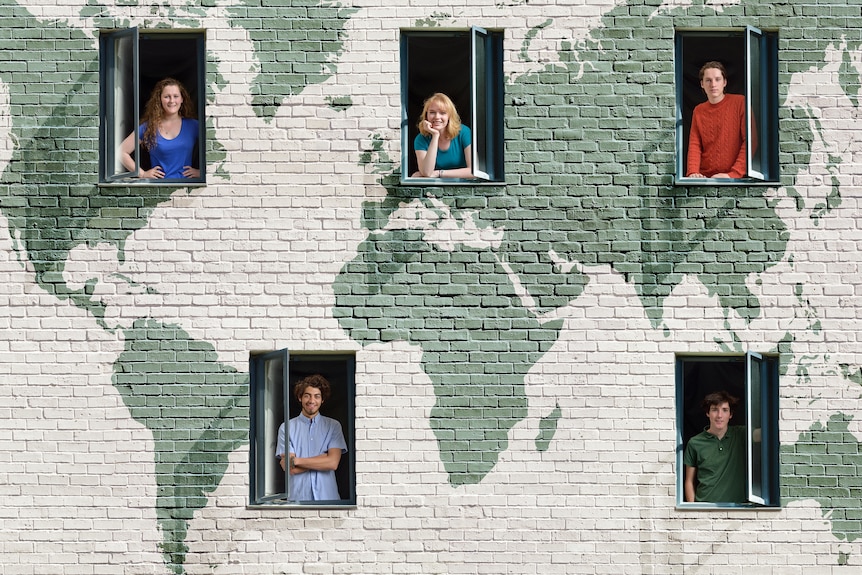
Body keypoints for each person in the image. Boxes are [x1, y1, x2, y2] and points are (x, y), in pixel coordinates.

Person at [275, 374, 347, 501]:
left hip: (328, 500)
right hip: (298, 501)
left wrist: (297, 460)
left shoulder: (333, 426)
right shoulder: (286, 427)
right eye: (307, 395)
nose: (311, 400)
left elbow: (333, 463)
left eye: (317, 396)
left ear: (322, 400)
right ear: (300, 398)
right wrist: (323, 458)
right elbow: (290, 468)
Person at [119, 77, 200, 180]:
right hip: (158, 189)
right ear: (160, 99)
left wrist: (202, 173)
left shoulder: (193, 126)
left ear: (182, 99)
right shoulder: (149, 127)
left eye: (176, 96)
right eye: (167, 96)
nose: (172, 101)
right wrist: (142, 174)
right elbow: (121, 152)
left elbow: (214, 146)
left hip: (187, 189)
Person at [686, 61, 753, 179]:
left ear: (724, 82)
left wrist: (734, 174)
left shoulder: (740, 103)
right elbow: (695, 144)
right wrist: (693, 172)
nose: (713, 84)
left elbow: (751, 141)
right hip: (705, 178)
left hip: (733, 178)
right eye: (708, 80)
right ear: (702, 84)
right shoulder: (699, 110)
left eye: (717, 79)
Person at [683, 390, 746, 503]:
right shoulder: (695, 443)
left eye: (725, 410)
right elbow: (689, 481)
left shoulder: (741, 434)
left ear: (730, 414)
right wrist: (693, 511)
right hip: (705, 507)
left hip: (737, 509)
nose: (719, 415)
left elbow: (765, 436)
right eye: (714, 410)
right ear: (708, 413)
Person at [412, 92, 474, 179]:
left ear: (449, 116)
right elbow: (427, 172)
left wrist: (439, 173)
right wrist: (435, 135)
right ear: (426, 115)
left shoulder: (464, 132)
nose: (437, 117)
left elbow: (473, 172)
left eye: (443, 113)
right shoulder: (421, 139)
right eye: (432, 112)